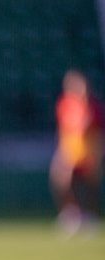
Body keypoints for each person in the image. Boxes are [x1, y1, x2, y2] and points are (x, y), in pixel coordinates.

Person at [51, 69, 103, 235]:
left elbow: (99, 132)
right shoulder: (65, 105)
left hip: (89, 152)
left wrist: (98, 154)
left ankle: (90, 217)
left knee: (90, 186)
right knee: (61, 181)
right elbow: (63, 130)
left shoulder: (94, 107)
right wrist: (62, 150)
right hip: (70, 151)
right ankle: (71, 215)